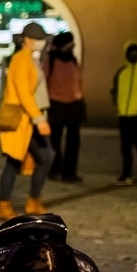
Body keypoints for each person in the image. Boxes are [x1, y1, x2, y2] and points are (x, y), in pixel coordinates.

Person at [0, 22, 54, 220]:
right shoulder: (21, 59)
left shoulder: (31, 59)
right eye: (38, 38)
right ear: (26, 39)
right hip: (22, 120)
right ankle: (4, 205)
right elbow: (23, 94)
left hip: (30, 119)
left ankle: (33, 200)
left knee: (44, 158)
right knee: (14, 161)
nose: (41, 42)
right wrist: (39, 119)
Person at [110, 40, 137, 186]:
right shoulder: (121, 71)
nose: (133, 56)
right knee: (125, 146)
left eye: (135, 53)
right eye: (130, 53)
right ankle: (126, 173)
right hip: (123, 114)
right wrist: (117, 103)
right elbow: (114, 89)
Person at [45, 32, 85, 183]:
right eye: (70, 43)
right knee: (54, 140)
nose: (72, 46)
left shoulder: (73, 59)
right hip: (56, 105)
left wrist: (81, 97)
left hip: (74, 105)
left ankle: (69, 173)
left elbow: (79, 80)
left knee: (73, 141)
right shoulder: (51, 59)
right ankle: (54, 169)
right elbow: (44, 81)